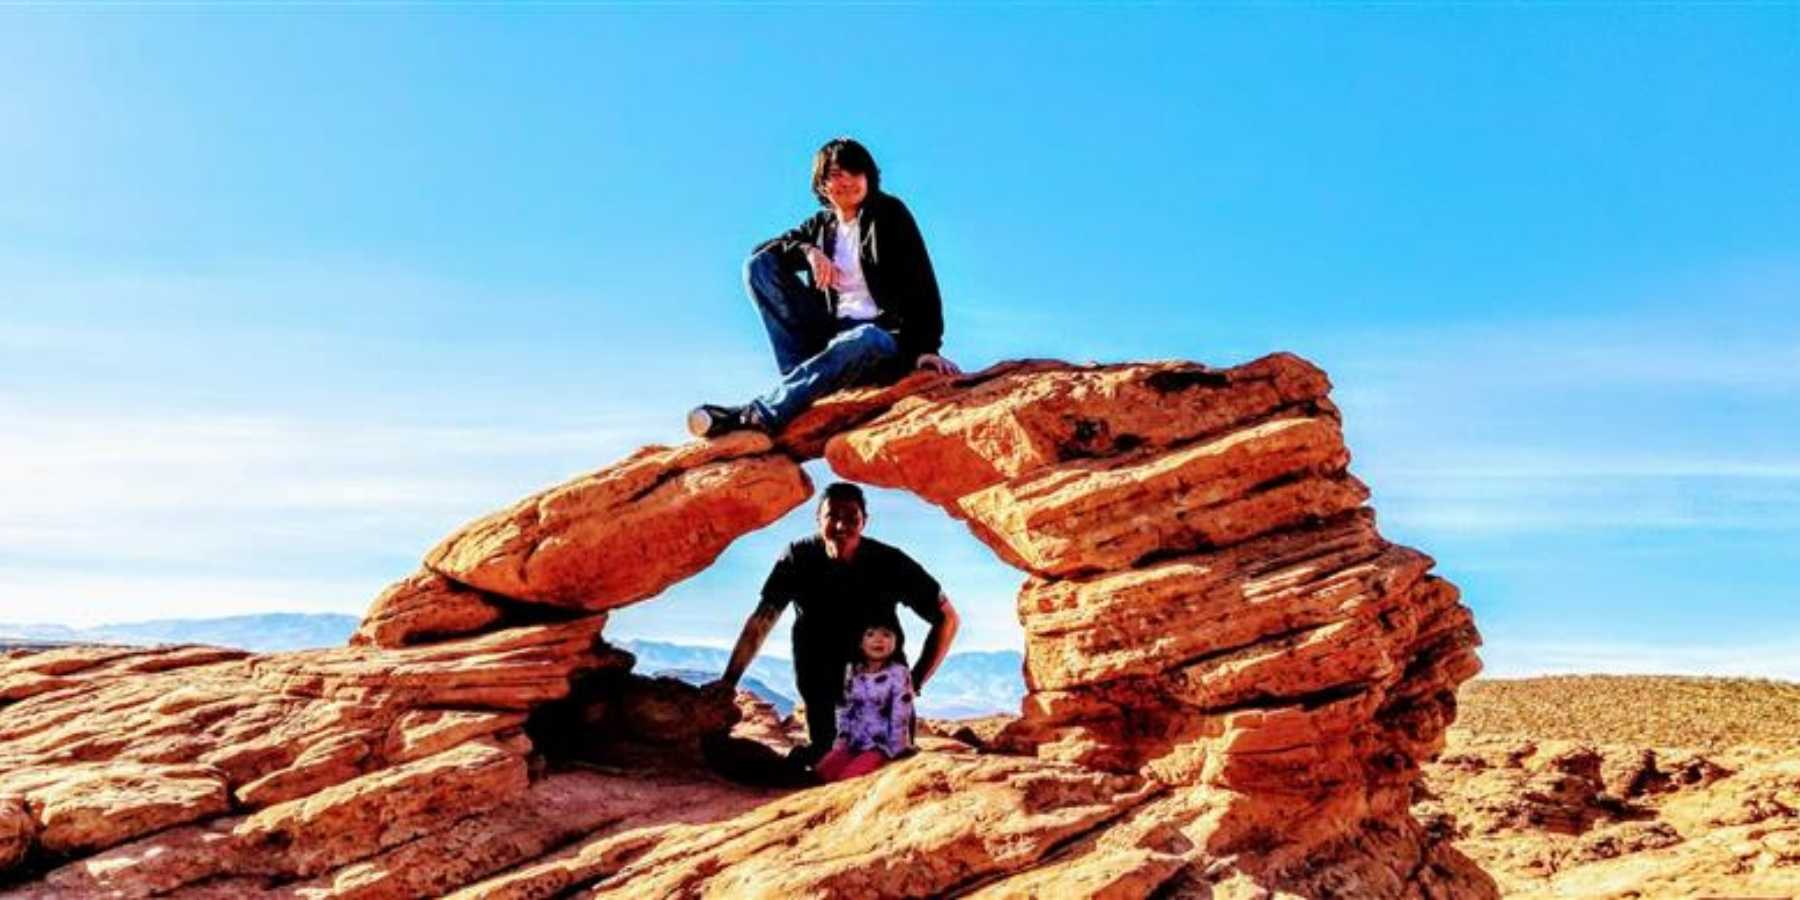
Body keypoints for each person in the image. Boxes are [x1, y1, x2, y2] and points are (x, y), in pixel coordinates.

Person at [688, 137, 960, 439]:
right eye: (836, 174)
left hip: (880, 342)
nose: (848, 181)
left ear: (869, 177)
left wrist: (927, 349)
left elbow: (922, 282)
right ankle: (799, 381)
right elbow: (763, 252)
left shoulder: (889, 214)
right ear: (821, 184)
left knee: (865, 337)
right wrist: (809, 251)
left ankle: (758, 413)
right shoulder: (820, 226)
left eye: (856, 172)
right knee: (759, 266)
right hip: (827, 340)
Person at [705, 482, 960, 766]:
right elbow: (762, 620)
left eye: (851, 518)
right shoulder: (798, 557)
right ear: (818, 519)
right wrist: (729, 681)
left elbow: (947, 618)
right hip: (821, 689)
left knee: (879, 769)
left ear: (864, 522)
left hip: (879, 695)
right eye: (832, 516)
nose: (841, 525)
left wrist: (916, 682)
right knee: (825, 766)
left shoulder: (890, 562)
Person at [816, 611, 916, 782]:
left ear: (896, 641)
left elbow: (900, 715)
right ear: (860, 642)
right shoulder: (853, 670)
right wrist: (841, 742)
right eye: (870, 634)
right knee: (823, 772)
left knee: (849, 779)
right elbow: (845, 709)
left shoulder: (899, 673)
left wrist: (896, 751)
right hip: (853, 742)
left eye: (886, 634)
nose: (878, 640)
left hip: (882, 746)